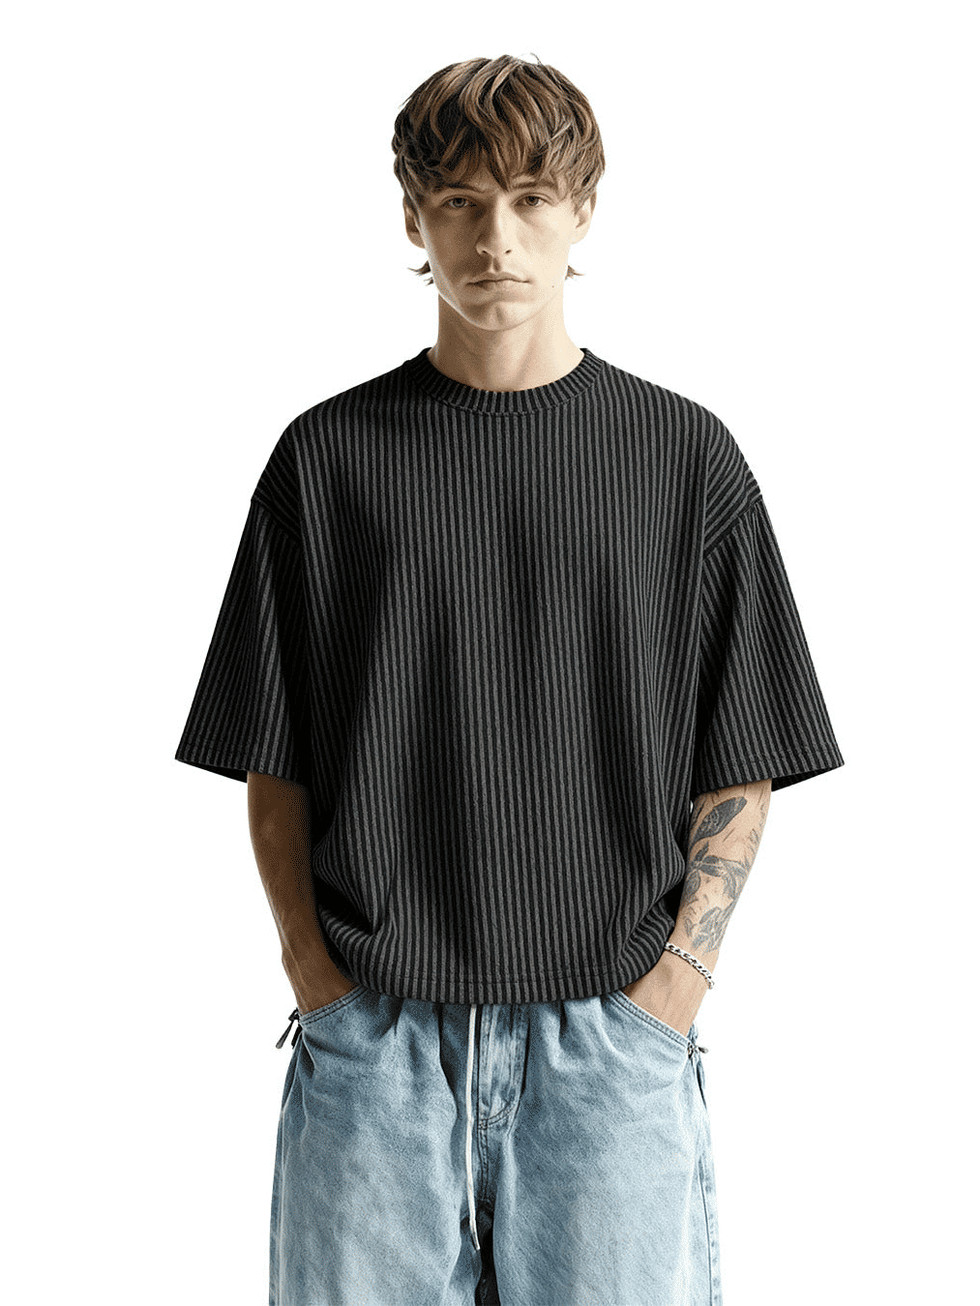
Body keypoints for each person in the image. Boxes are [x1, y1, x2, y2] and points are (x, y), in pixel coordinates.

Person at [175, 53, 844, 1306]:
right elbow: (273, 759)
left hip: (608, 1044)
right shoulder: (326, 461)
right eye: (460, 201)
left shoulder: (683, 460)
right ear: (412, 218)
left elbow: (740, 754)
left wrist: (674, 988)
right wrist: (317, 980)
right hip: (377, 1045)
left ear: (582, 210)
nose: (496, 237)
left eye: (531, 198)